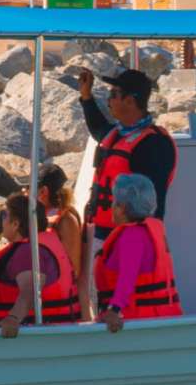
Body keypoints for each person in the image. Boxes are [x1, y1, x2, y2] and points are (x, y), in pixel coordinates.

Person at [78, 69, 177, 245]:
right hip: (101, 232)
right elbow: (98, 127)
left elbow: (152, 200)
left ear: (130, 101)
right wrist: (86, 97)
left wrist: (138, 240)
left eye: (114, 95)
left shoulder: (153, 144)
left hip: (128, 238)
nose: (109, 101)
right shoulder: (117, 134)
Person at [93, 174, 183, 333]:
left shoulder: (131, 236)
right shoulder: (154, 230)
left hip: (139, 322)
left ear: (123, 208)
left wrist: (114, 310)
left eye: (115, 202)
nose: (112, 207)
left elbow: (127, 277)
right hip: (164, 319)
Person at [0, 193, 80, 338]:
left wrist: (13, 318)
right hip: (60, 331)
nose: (2, 221)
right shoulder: (38, 246)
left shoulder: (28, 252)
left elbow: (32, 289)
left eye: (4, 215)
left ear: (15, 224)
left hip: (34, 336)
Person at [37, 164, 83, 279]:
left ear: (43, 191)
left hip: (56, 292)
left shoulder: (66, 221)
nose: (24, 192)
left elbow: (73, 270)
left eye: (28, 188)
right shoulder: (41, 216)